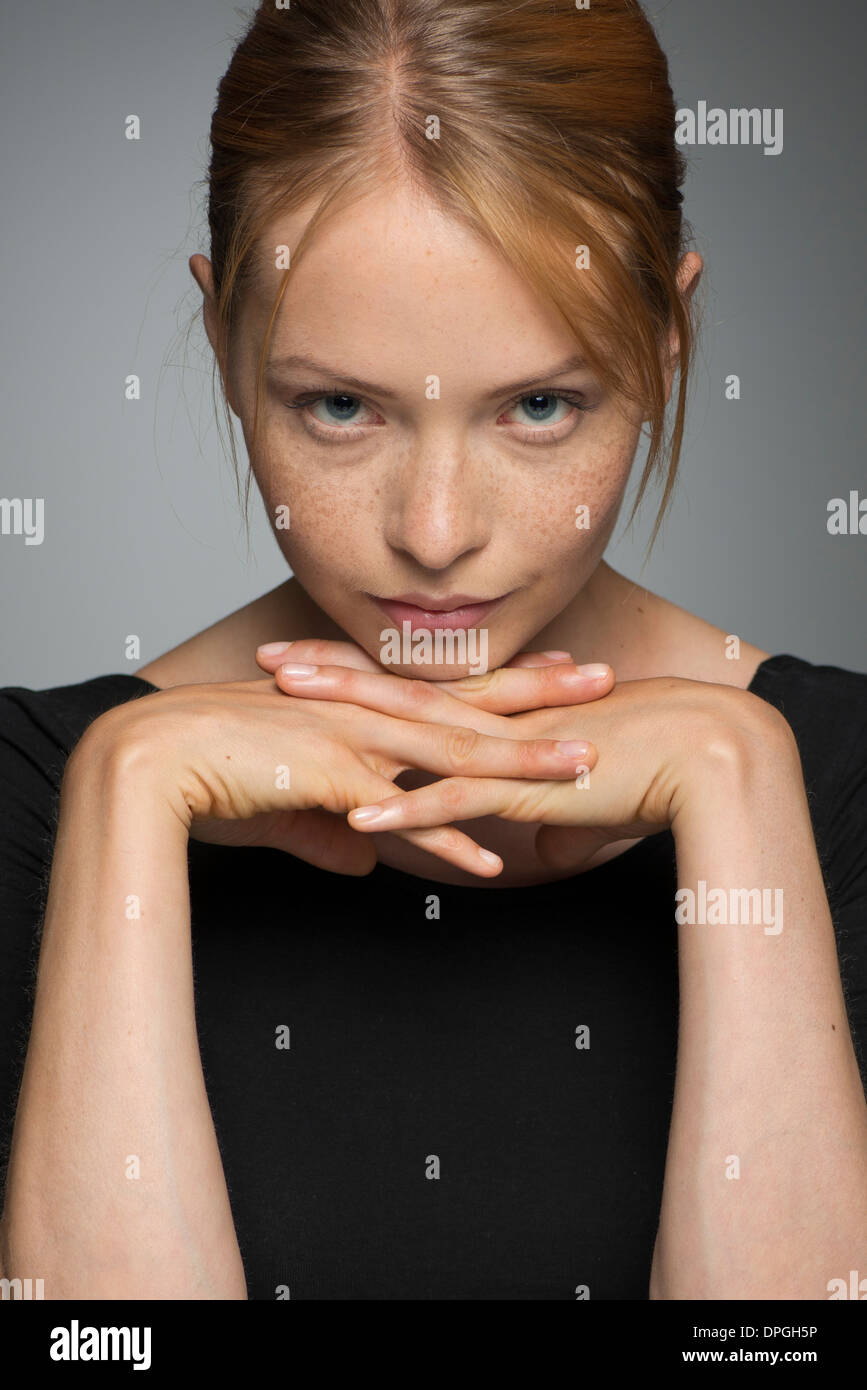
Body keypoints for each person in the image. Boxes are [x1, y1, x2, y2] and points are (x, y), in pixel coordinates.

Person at [1, 0, 865, 1301]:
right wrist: (122, 800)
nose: (436, 533)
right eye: (338, 406)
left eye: (540, 404)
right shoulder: (37, 793)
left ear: (670, 339)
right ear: (228, 347)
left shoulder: (839, 784)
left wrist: (740, 779)